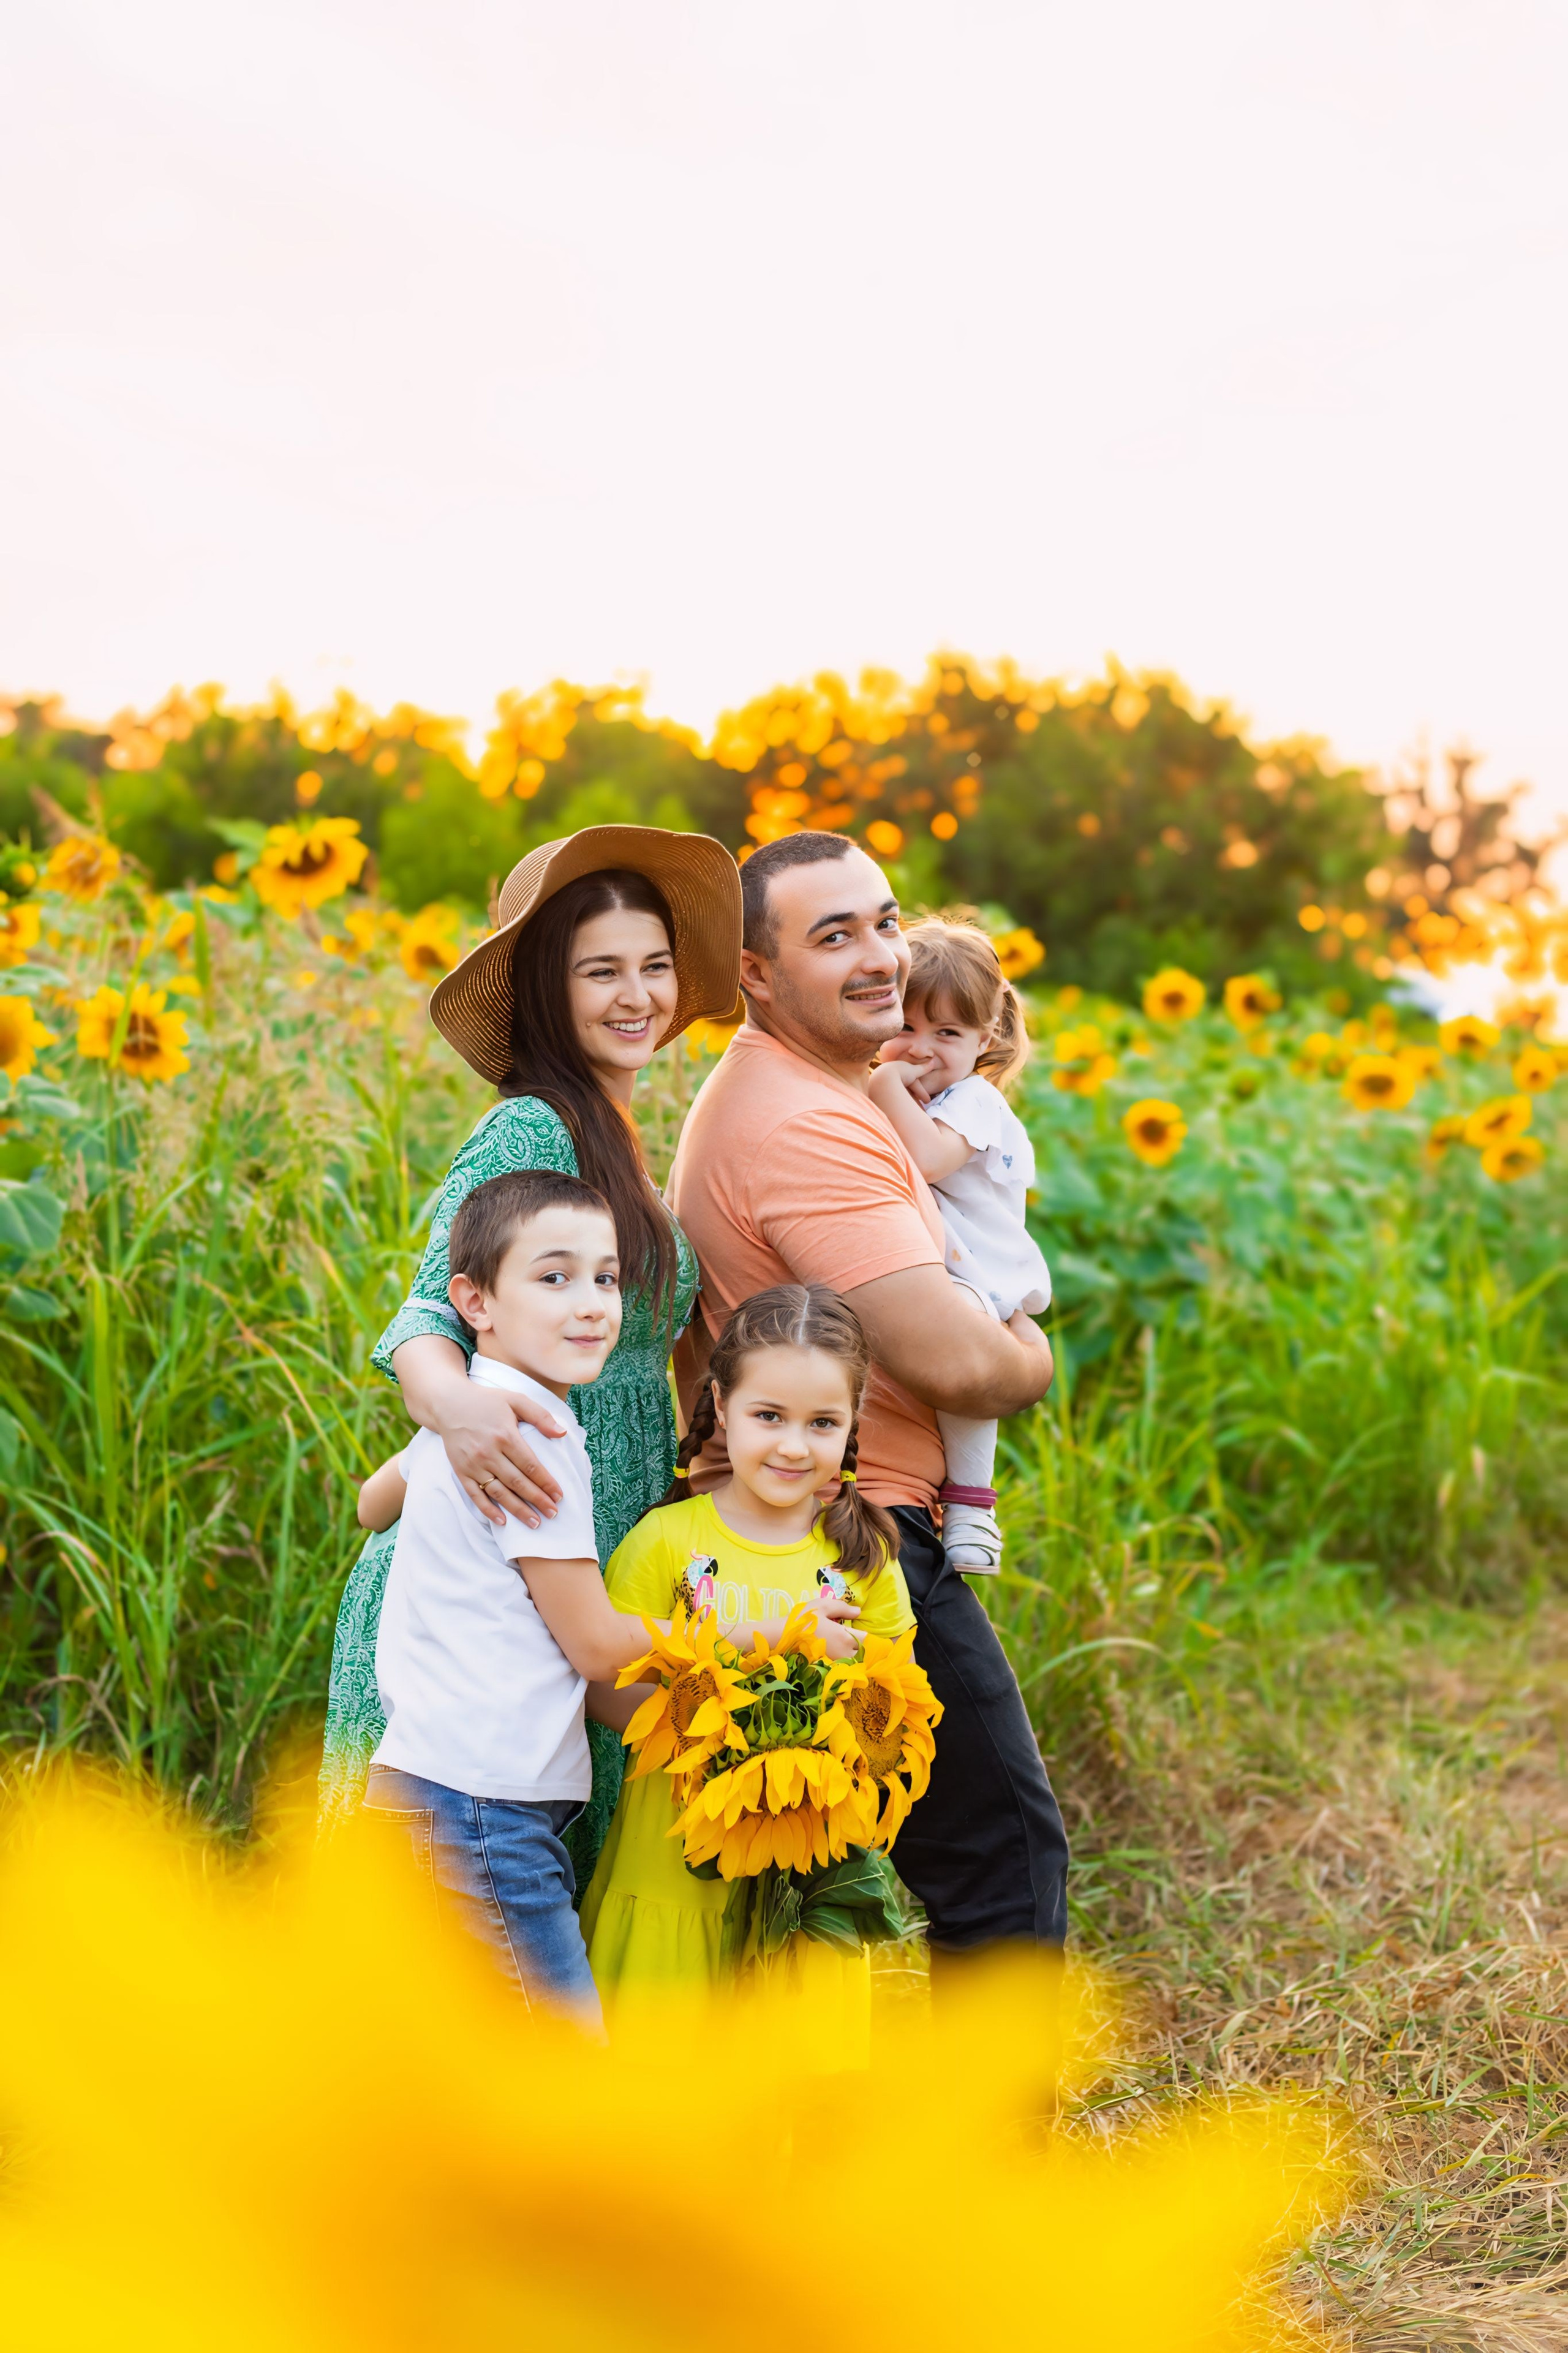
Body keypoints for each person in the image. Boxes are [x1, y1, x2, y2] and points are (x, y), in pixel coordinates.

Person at [666, 830, 1070, 1959]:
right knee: (1003, 1860)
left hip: (820, 1518)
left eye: (886, 921)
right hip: (857, 1528)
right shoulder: (806, 1126)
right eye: (834, 935)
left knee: (813, 1886)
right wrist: (1032, 1347)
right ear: (756, 972)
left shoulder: (816, 1091)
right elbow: (960, 1363)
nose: (881, 955)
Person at [317, 824, 743, 1894]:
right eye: (602, 971)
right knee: (457, 1896)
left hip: (585, 1540)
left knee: (534, 1874)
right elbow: (428, 1312)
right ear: (551, 990)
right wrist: (458, 1414)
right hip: (506, 1551)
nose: (637, 995)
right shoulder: (531, 1132)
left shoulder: (621, 1138)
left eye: (654, 965)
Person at [355, 1174, 858, 2020]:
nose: (591, 1303)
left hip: (430, 1788)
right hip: (482, 1811)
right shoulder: (536, 1440)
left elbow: (373, 1503)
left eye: (606, 1277)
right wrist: (772, 1629)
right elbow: (593, 1644)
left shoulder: (470, 1418)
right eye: (554, 1277)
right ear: (474, 1301)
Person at [578, 1283, 913, 2025]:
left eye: (821, 1423)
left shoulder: (862, 1561)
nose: (793, 1446)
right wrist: (726, 1731)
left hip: (804, 1858)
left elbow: (893, 1721)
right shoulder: (667, 1542)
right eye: (769, 1416)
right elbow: (603, 1689)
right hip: (671, 1859)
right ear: (721, 1406)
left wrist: (828, 1735)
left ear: (852, 1424)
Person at [867, 917, 1052, 1577]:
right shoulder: (912, 1088)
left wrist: (884, 1084)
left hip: (978, 1273)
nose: (922, 1048)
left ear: (985, 1038)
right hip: (931, 1262)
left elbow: (928, 1157)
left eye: (947, 1033)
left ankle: (973, 1502)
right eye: (906, 1026)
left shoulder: (974, 1100)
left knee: (963, 1358)